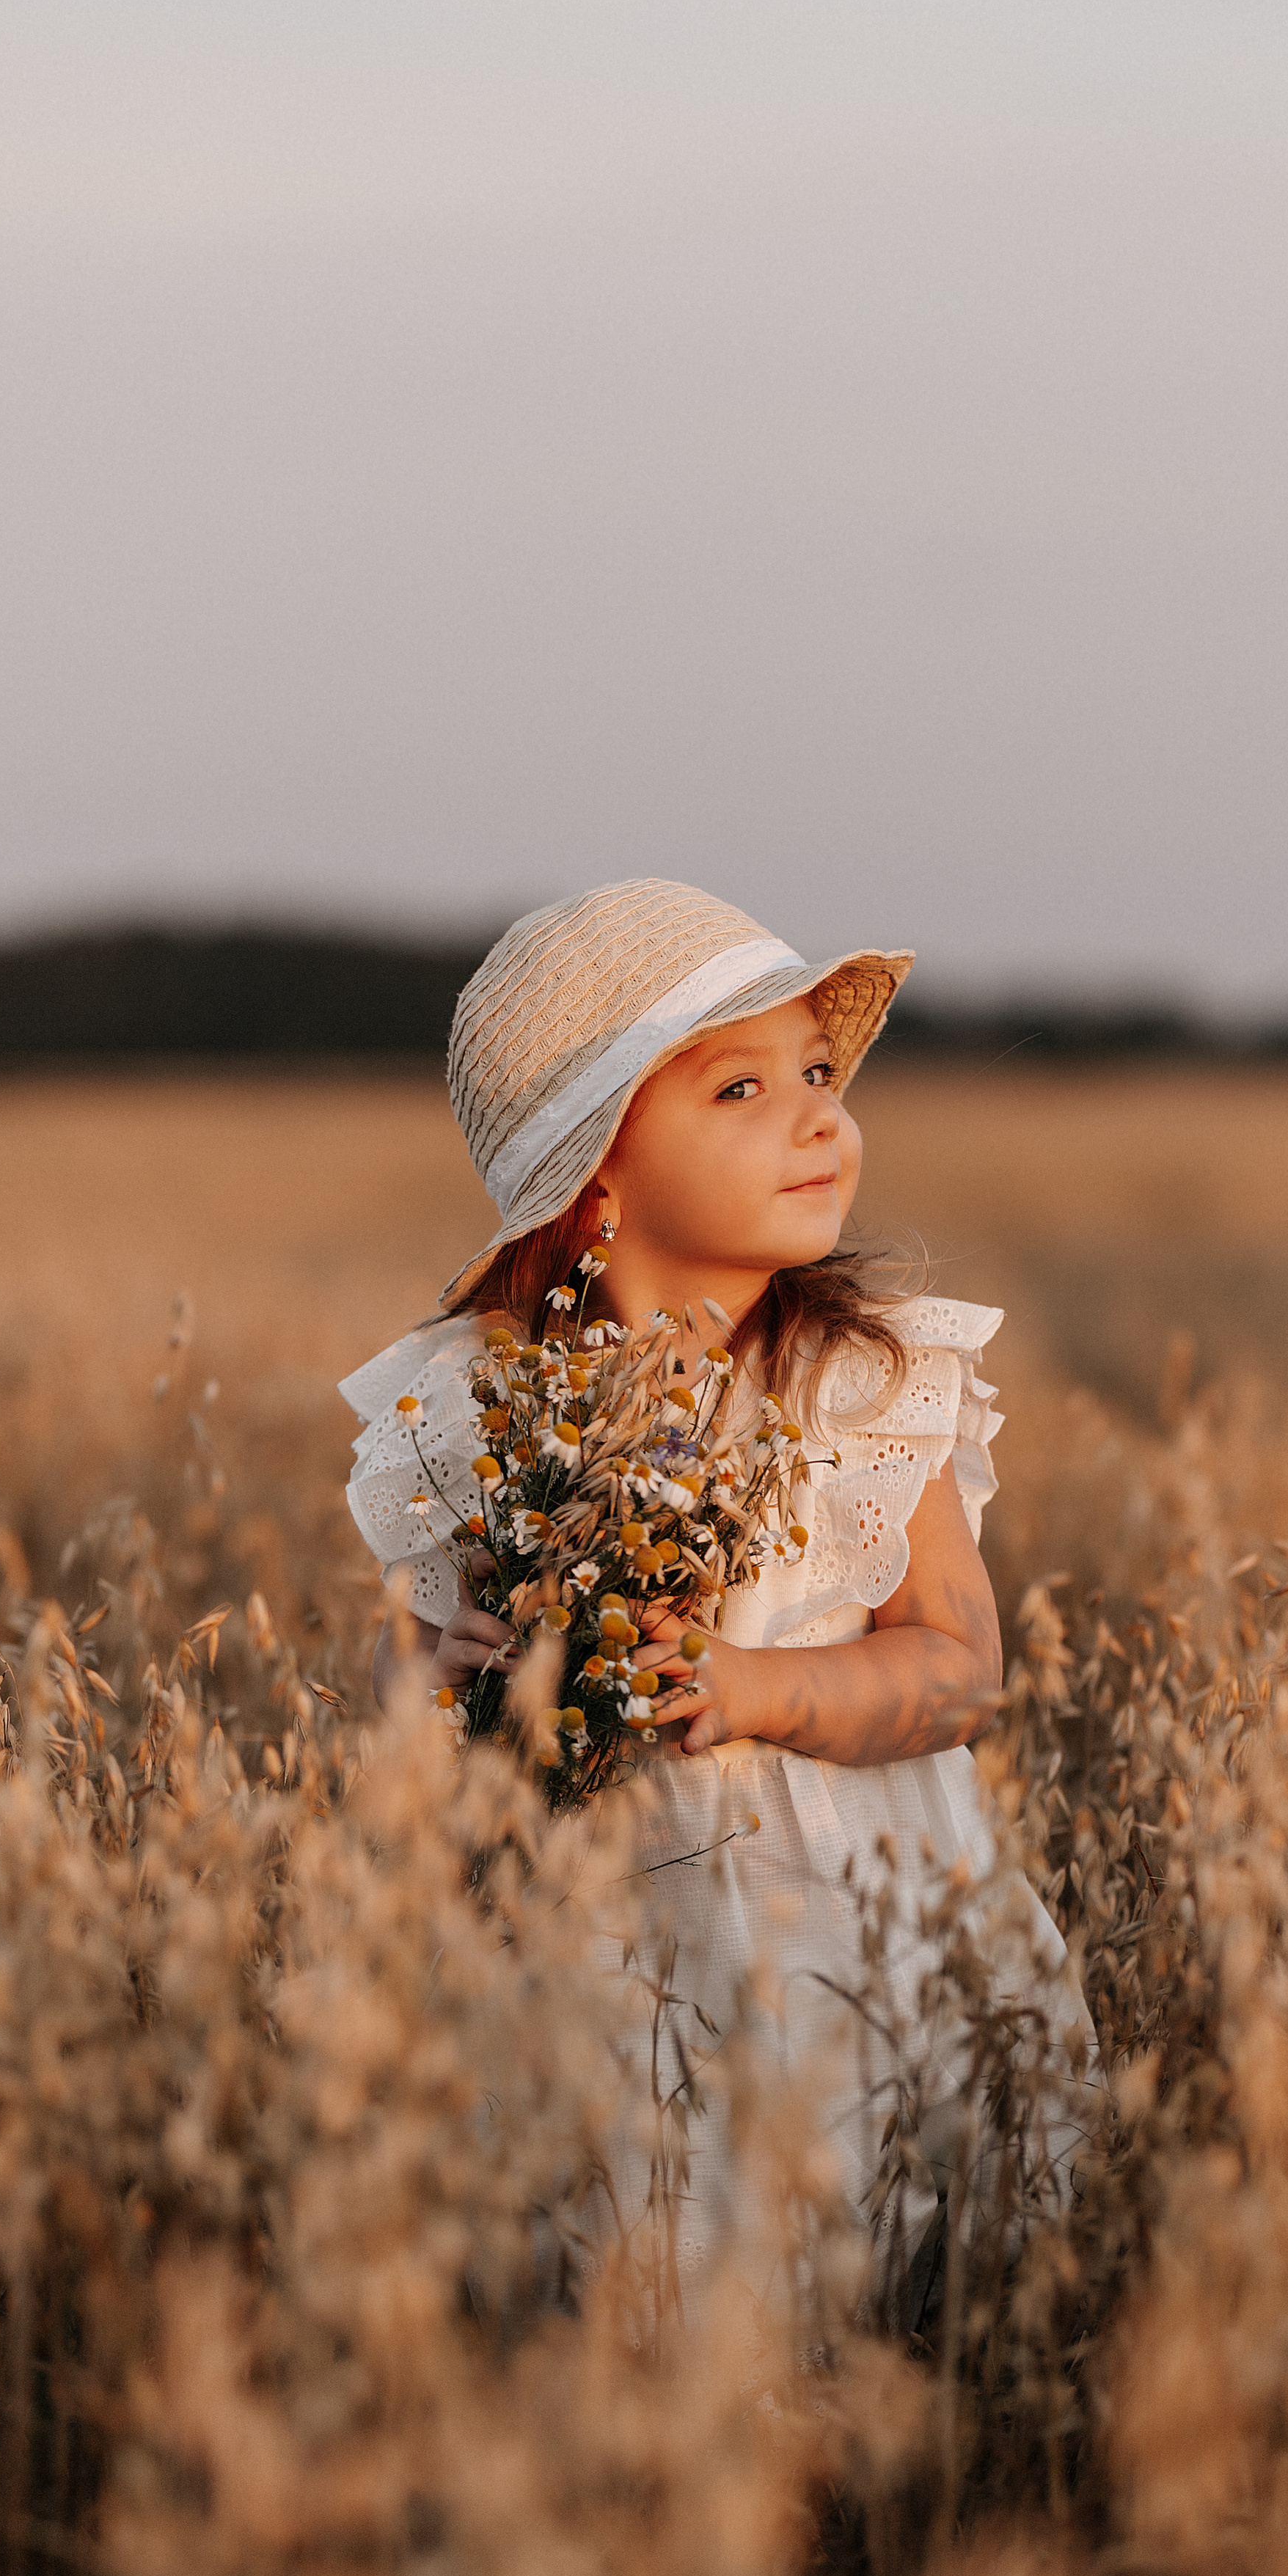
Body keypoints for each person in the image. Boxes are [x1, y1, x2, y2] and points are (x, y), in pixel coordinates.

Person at [340, 879, 1091, 2316]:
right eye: (741, 1088)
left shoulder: (857, 1387)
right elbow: (408, 1668)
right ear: (594, 1178)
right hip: (614, 1945)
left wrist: (759, 1693)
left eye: (818, 1073)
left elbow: (958, 1664)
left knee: (882, 2242)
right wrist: (444, 1682)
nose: (818, 1117)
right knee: (658, 2252)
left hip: (851, 1930)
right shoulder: (491, 1412)